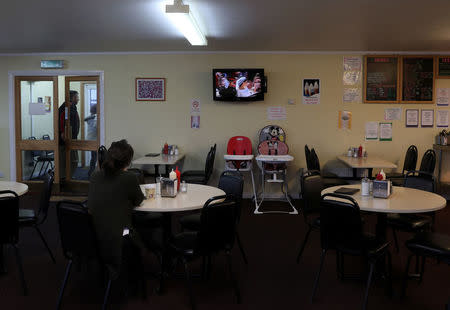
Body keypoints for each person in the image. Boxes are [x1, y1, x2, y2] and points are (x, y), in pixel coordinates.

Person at [87, 140, 161, 282]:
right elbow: (139, 200)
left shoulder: (95, 176)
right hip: (121, 237)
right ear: (128, 161)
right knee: (148, 230)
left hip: (94, 236)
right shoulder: (129, 178)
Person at [58, 90, 80, 179]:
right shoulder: (66, 108)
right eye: (77, 97)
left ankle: (68, 177)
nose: (78, 99)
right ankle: (64, 179)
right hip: (66, 140)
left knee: (73, 161)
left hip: (72, 139)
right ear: (72, 98)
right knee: (67, 161)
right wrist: (63, 132)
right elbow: (64, 120)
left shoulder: (73, 107)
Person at [84, 104, 97, 178]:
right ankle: (92, 173)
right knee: (95, 157)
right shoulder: (94, 118)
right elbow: (97, 127)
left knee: (94, 157)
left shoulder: (91, 117)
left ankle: (91, 173)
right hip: (94, 140)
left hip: (91, 139)